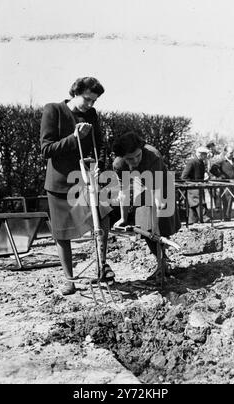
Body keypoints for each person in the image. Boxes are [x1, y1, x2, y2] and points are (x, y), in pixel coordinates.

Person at [40, 77, 114, 295]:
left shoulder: (91, 115)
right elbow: (46, 150)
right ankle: (69, 280)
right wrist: (74, 138)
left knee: (103, 217)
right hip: (60, 182)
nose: (90, 105)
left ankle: (101, 267)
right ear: (75, 92)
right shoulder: (53, 110)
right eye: (88, 99)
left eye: (94, 101)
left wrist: (99, 165)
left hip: (85, 179)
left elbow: (98, 145)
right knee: (61, 234)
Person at [112, 131, 181, 280]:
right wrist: (123, 218)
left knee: (161, 223)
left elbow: (156, 194)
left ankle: (163, 263)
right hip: (140, 184)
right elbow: (124, 192)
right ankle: (161, 260)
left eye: (138, 156)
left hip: (161, 183)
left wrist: (156, 220)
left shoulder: (153, 155)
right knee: (145, 226)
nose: (135, 160)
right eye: (130, 159)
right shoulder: (118, 164)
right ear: (123, 157)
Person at [210, 146, 234, 221]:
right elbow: (212, 169)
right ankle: (227, 217)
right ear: (225, 152)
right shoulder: (221, 161)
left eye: (233, 153)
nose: (232, 154)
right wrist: (220, 176)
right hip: (226, 184)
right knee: (227, 200)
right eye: (230, 153)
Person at [181, 146, 211, 224]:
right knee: (199, 203)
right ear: (199, 154)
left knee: (193, 206)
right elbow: (184, 177)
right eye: (204, 154)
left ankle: (192, 221)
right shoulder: (192, 162)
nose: (205, 156)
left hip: (199, 187)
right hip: (193, 188)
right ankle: (204, 218)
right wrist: (192, 184)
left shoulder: (201, 162)